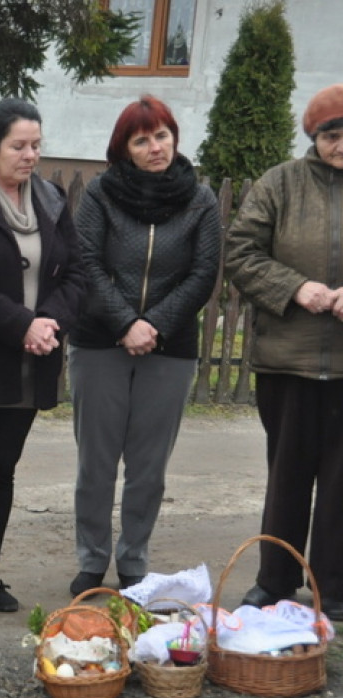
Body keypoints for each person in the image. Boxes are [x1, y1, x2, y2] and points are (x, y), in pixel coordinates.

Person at [68, 95, 220, 597]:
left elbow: (202, 274)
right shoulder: (100, 195)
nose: (155, 147)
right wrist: (125, 324)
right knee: (96, 461)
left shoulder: (201, 199)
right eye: (142, 139)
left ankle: (133, 560)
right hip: (100, 343)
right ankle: (92, 560)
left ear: (175, 138)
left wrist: (152, 324)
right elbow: (87, 263)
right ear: (124, 148)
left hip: (170, 347)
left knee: (149, 466)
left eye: (162, 136)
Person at [0, 100, 86, 614]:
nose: (31, 155)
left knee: (3, 467)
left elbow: (76, 272)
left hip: (35, 356)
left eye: (36, 145)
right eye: (19, 146)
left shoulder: (50, 198)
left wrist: (48, 322)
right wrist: (20, 325)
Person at [224, 84, 343, 620]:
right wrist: (296, 288)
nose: (341, 145)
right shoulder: (280, 184)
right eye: (331, 136)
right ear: (313, 137)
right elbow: (241, 252)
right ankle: (275, 581)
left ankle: (335, 588)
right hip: (287, 362)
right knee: (287, 476)